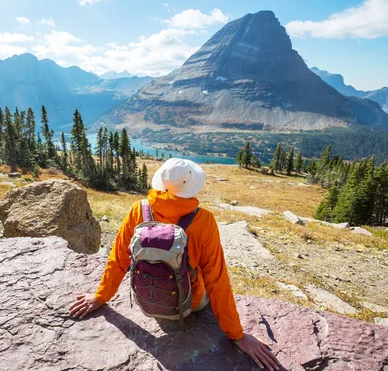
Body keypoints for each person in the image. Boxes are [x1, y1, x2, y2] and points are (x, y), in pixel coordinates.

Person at [69, 158, 280, 371]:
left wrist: (101, 296)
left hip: (146, 300)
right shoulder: (204, 220)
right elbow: (217, 280)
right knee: (206, 283)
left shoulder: (138, 210)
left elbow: (118, 259)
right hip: (190, 305)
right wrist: (237, 335)